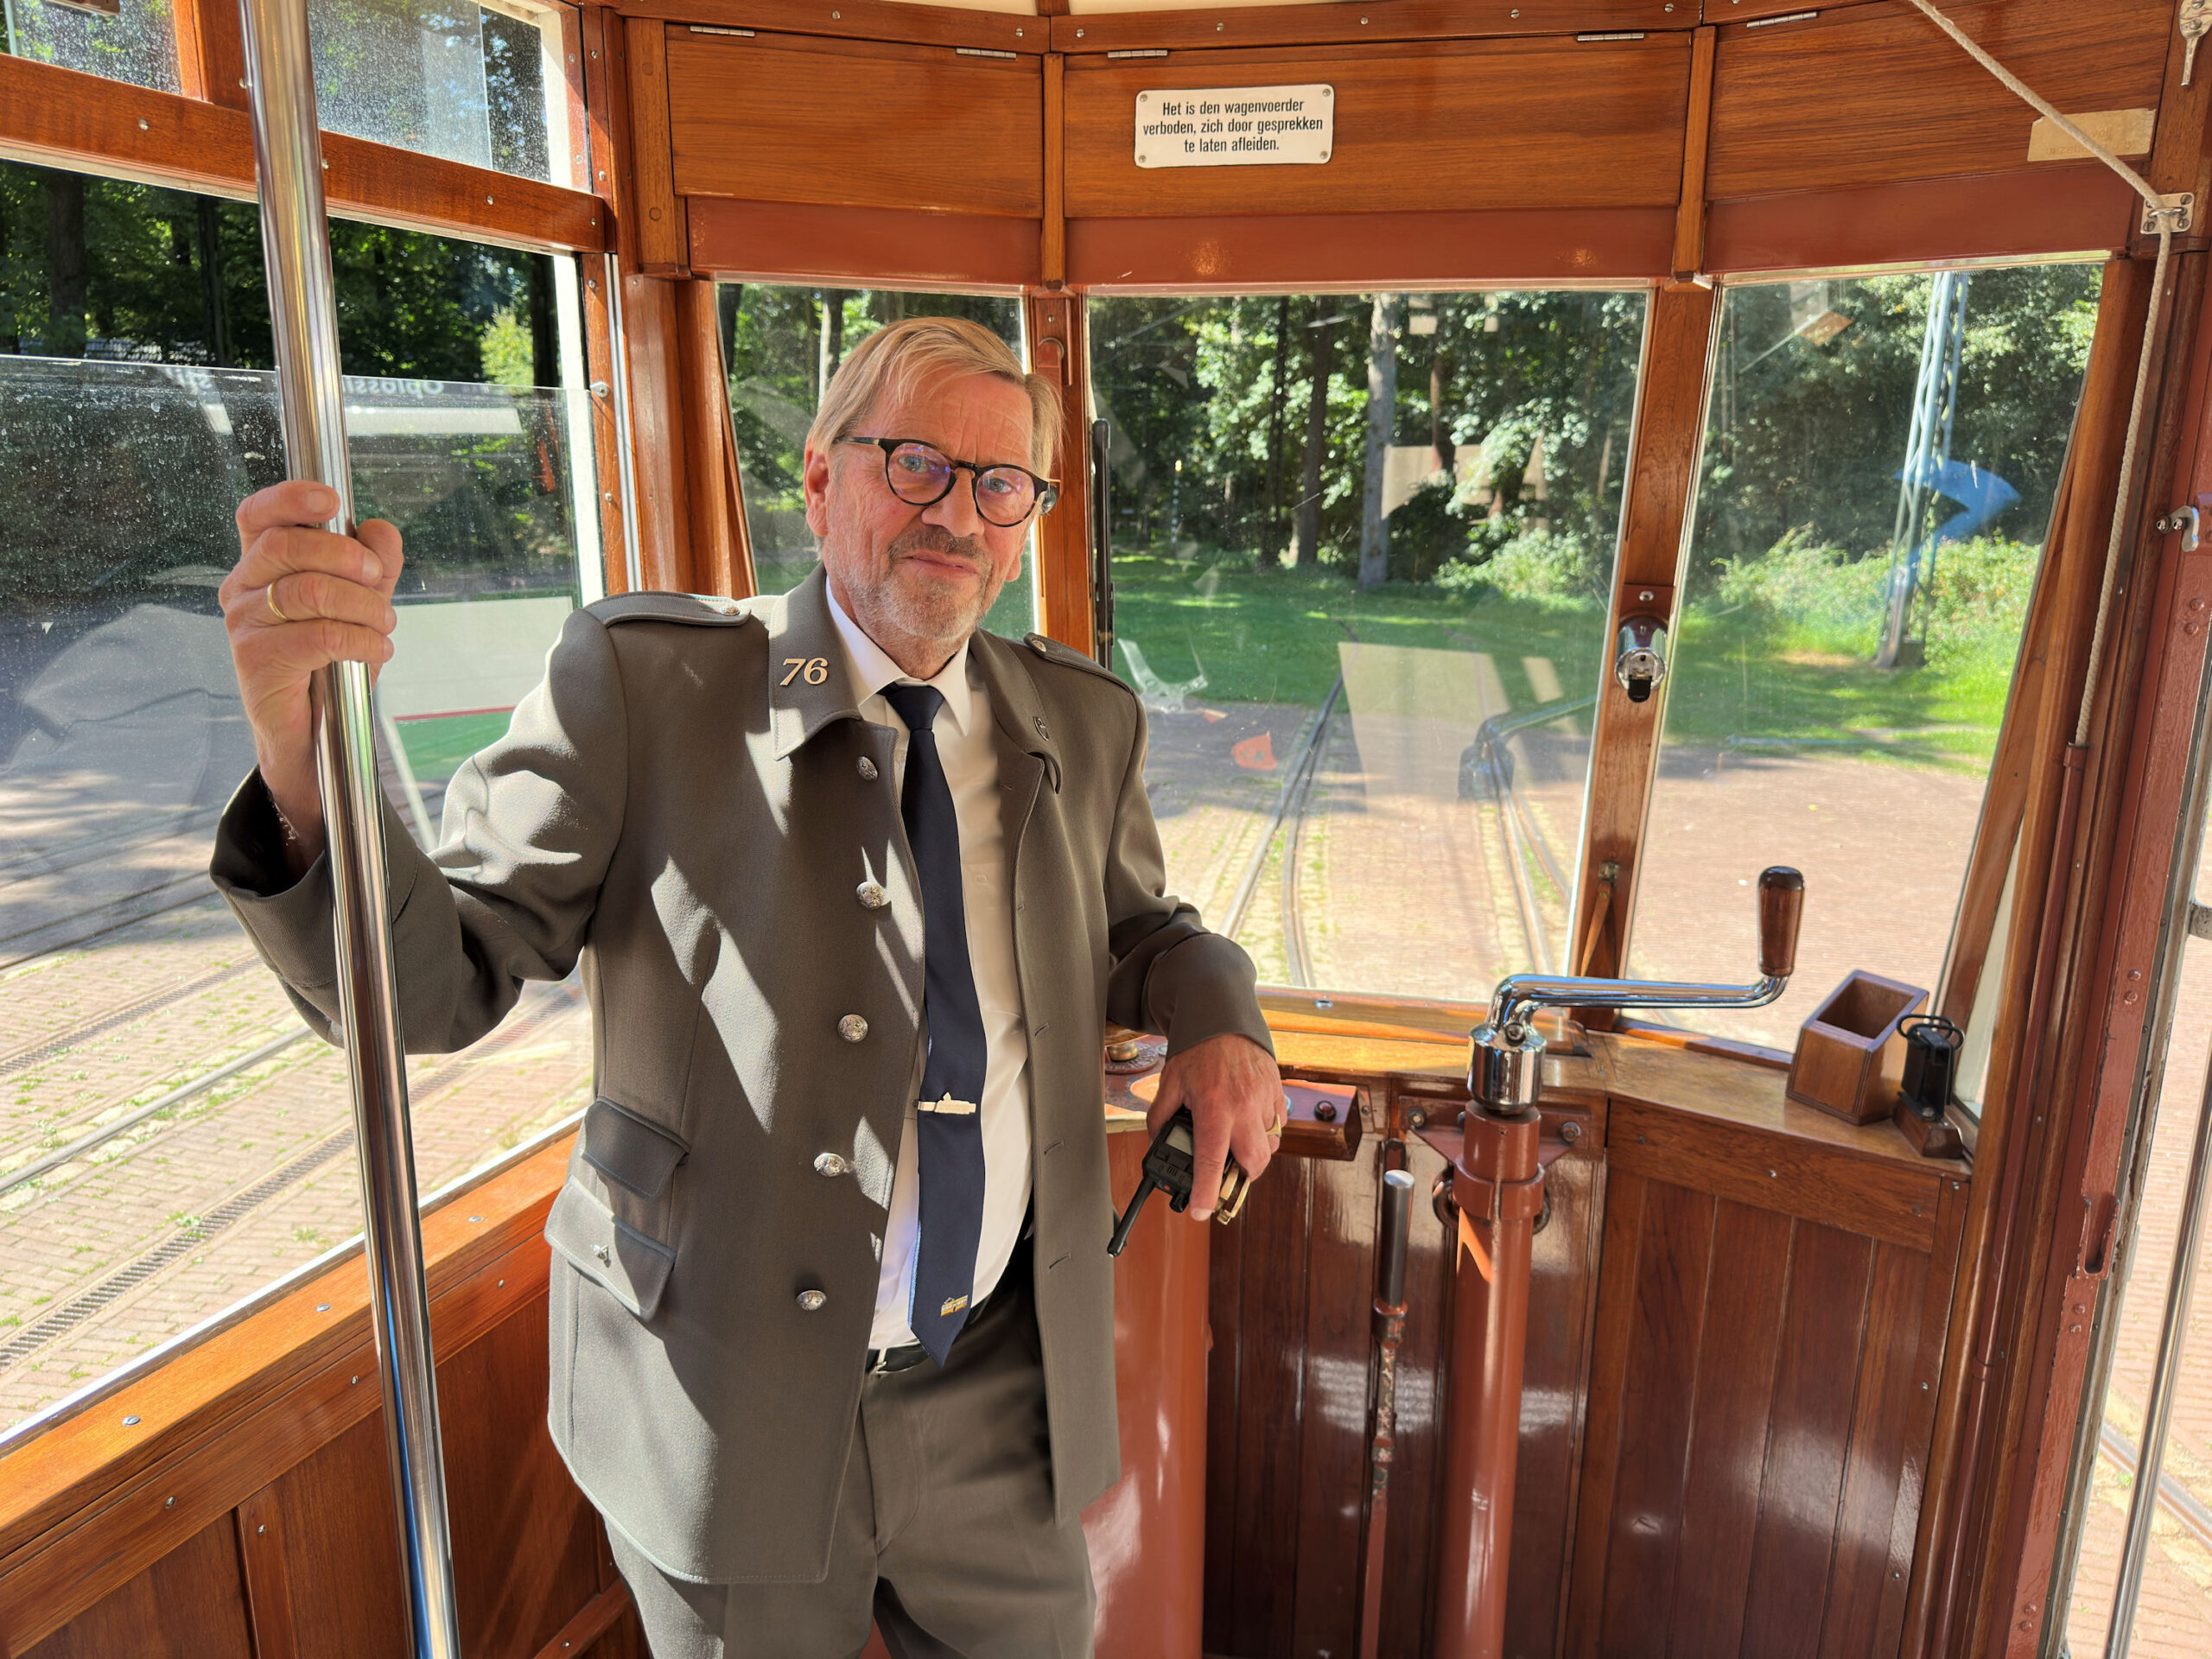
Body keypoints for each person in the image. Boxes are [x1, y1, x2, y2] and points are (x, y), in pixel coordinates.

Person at [208, 317, 1284, 1657]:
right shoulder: (649, 685)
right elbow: (443, 981)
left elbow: (1138, 927)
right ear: (821, 483)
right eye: (915, 464)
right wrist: (299, 748)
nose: (958, 511)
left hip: (1002, 1394)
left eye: (1000, 483)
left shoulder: (1080, 715)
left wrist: (1219, 1014)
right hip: (724, 1406)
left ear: (1029, 523)